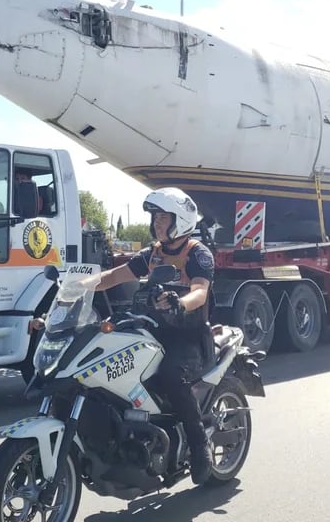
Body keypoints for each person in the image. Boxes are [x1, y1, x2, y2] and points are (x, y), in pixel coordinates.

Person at [95, 187, 216, 484]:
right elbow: (113, 276)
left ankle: (200, 447)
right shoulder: (152, 254)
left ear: (181, 220)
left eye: (163, 217)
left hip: (188, 338)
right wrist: (74, 286)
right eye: (155, 218)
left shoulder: (197, 254)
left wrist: (180, 302)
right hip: (154, 330)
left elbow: (200, 292)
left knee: (173, 377)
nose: (157, 223)